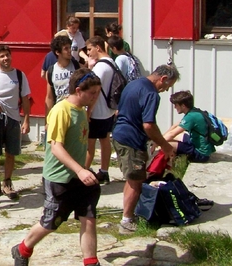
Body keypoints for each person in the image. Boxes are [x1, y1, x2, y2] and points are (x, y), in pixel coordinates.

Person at [11, 69, 102, 266]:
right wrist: (80, 170)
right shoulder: (61, 111)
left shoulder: (82, 110)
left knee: (89, 218)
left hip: (80, 179)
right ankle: (22, 248)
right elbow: (56, 146)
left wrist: (82, 171)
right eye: (92, 93)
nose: (96, 97)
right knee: (52, 221)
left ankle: (91, 262)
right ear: (78, 90)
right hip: (59, 178)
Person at [111, 64, 180, 234]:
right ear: (162, 79)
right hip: (132, 138)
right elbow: (148, 125)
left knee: (131, 178)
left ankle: (128, 213)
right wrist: (165, 145)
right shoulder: (151, 94)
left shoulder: (134, 84)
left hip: (119, 134)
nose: (165, 90)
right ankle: (127, 222)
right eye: (167, 86)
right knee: (136, 181)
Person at [0, 45, 31, 200]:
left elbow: (25, 99)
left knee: (11, 153)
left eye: (7, 55)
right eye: (2, 56)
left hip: (13, 119)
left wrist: (26, 120)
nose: (5, 58)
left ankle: (7, 182)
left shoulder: (19, 75)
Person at [84, 36, 117, 185]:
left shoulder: (100, 67)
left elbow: (94, 91)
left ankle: (83, 172)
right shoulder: (112, 62)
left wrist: (89, 110)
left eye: (90, 49)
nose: (88, 53)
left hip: (97, 112)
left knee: (89, 145)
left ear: (98, 47)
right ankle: (104, 171)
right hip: (109, 111)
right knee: (105, 140)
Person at [164, 90, 214, 163]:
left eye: (176, 105)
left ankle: (170, 167)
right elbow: (177, 125)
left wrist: (158, 143)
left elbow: (172, 134)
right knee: (177, 136)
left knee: (167, 144)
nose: (175, 107)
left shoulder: (191, 117)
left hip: (201, 154)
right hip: (203, 147)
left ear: (183, 105)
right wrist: (159, 139)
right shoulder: (195, 111)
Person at [45, 35, 80, 114]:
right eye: (66, 49)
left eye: (69, 47)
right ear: (58, 52)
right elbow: (49, 97)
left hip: (75, 110)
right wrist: (48, 120)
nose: (69, 51)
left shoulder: (76, 66)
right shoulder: (51, 71)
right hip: (59, 111)